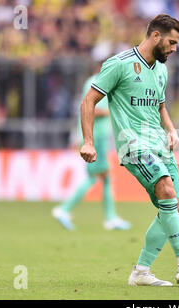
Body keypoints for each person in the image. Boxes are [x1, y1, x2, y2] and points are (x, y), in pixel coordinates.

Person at [79, 14, 179, 286]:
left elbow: (161, 106)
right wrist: (88, 141)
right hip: (133, 146)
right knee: (165, 187)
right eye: (172, 42)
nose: (174, 49)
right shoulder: (119, 65)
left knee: (171, 209)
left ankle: (141, 272)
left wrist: (172, 130)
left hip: (159, 145)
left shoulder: (162, 69)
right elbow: (89, 101)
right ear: (156, 36)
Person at [52, 66, 131, 231]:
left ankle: (110, 217)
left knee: (103, 176)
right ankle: (64, 209)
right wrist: (116, 112)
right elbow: (93, 109)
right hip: (97, 136)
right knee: (98, 176)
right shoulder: (100, 82)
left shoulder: (90, 81)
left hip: (92, 136)